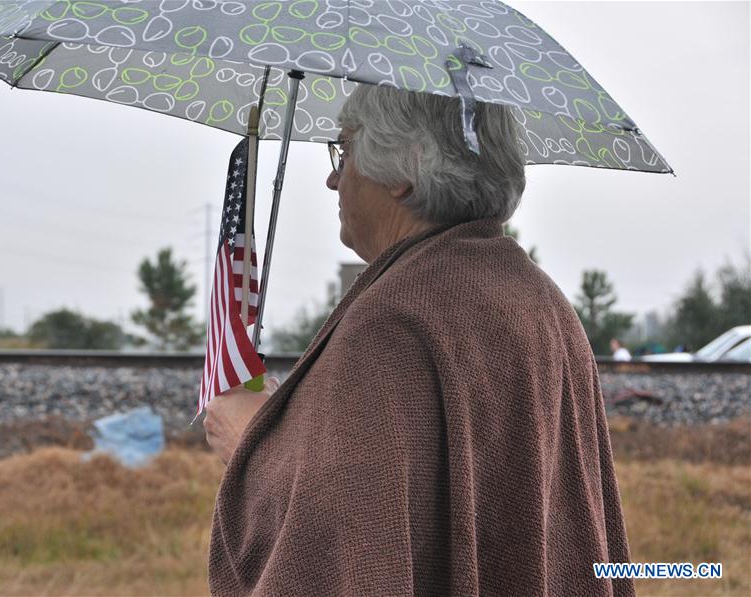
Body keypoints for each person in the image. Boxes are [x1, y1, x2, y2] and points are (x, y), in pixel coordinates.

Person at [203, 85, 635, 596]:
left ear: (406, 169)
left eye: (345, 149)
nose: (332, 178)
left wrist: (251, 441)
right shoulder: (544, 303)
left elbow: (338, 539)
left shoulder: (393, 322)